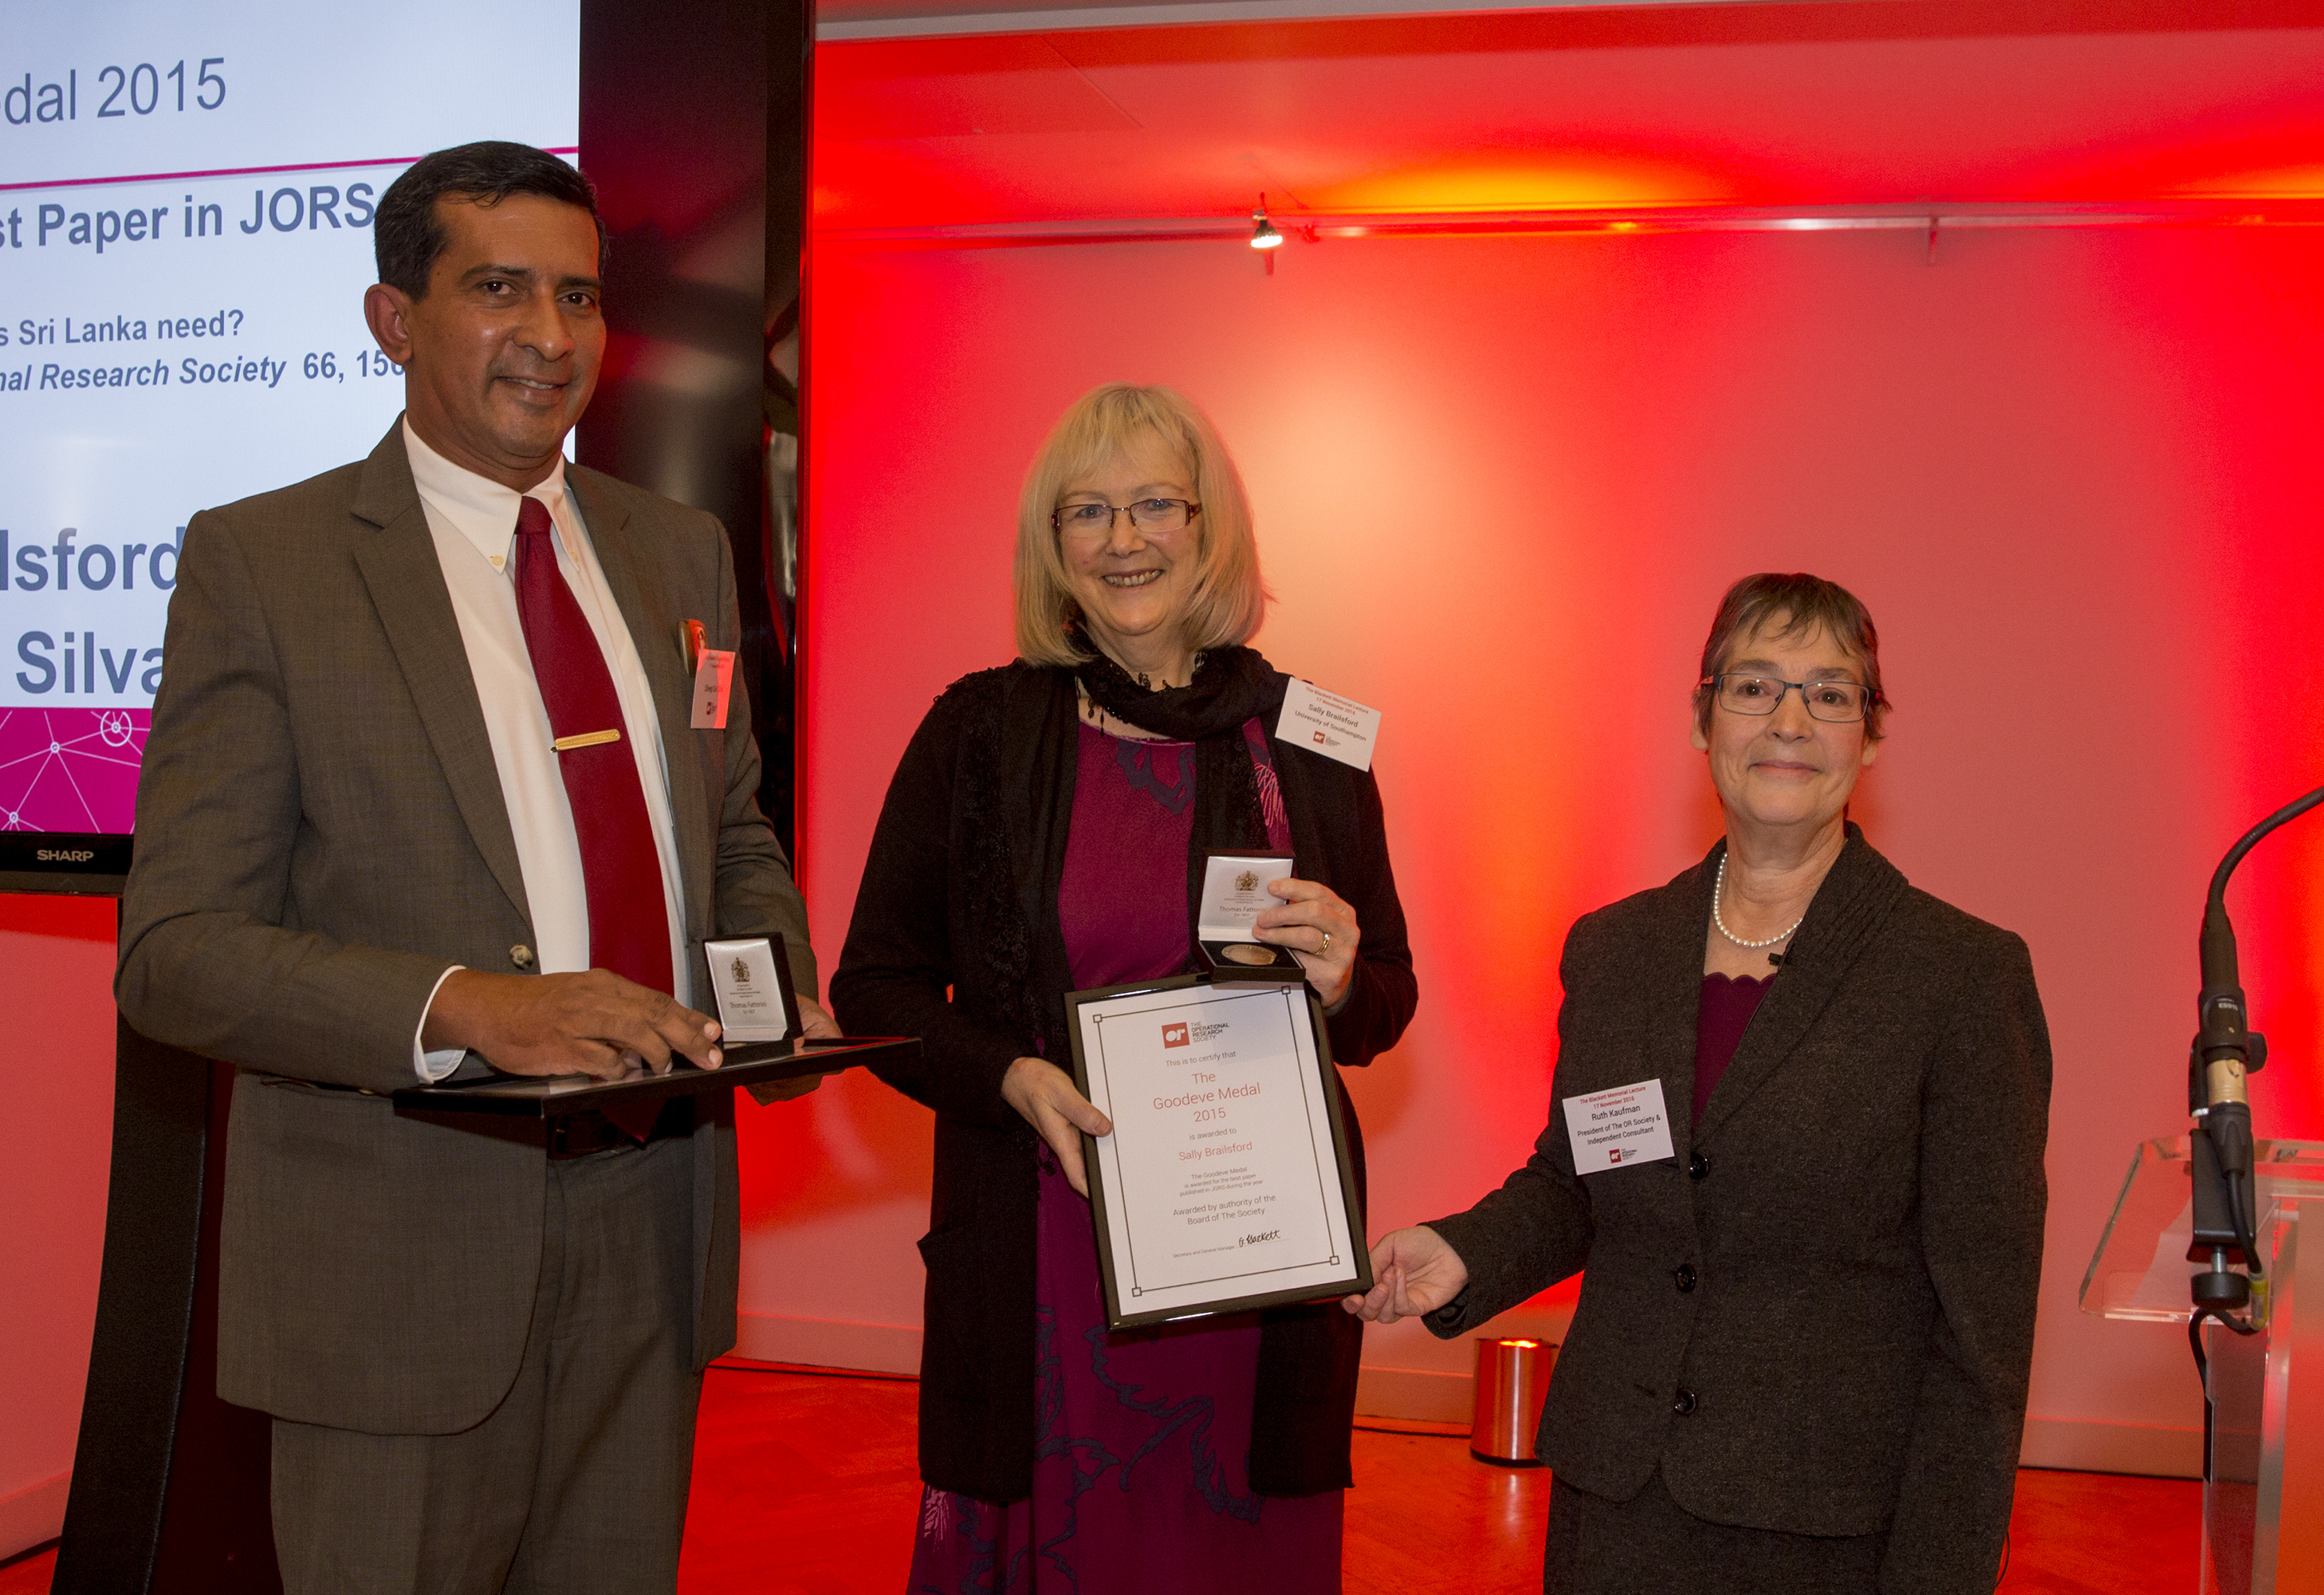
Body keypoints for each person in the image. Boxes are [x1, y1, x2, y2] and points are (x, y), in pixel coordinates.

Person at [116, 141, 833, 1593]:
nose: (552, 338)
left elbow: (732, 828)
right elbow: (175, 947)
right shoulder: (269, 563)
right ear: (393, 319)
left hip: (651, 1225)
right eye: (498, 289)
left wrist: (771, 988)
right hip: (396, 1255)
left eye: (577, 296)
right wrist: (467, 1006)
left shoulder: (677, 552)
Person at [1347, 572, 2051, 1595]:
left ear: (1873, 734)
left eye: (1831, 691)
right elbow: (1581, 1179)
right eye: (1755, 685)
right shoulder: (1616, 948)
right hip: (1616, 1500)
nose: (1791, 720)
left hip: (1824, 1528)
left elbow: (1983, 1339)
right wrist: (1460, 1251)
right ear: (1702, 717)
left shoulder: (1960, 976)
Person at [831, 383, 1417, 1592]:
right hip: (1046, 1252)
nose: (1123, 538)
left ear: (1211, 530)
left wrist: (1348, 971)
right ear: (1052, 547)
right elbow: (873, 989)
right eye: (1085, 512)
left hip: (1256, 1270)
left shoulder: (1312, 740)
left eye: (1156, 503)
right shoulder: (977, 733)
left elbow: (1386, 1006)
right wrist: (1006, 1075)